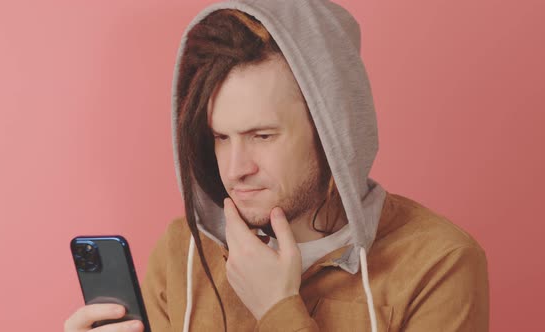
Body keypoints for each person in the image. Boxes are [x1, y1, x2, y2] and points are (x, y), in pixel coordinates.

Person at [65, 1, 489, 331]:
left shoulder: (438, 261)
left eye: (262, 136)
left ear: (332, 134)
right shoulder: (186, 250)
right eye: (220, 137)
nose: (235, 169)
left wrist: (277, 310)